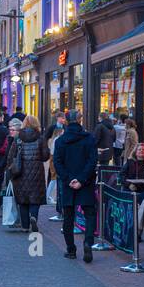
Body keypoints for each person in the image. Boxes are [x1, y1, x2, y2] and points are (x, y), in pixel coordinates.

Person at [52, 111, 99, 260]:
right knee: (90, 214)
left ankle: (71, 249)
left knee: (68, 217)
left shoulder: (60, 141)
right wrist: (82, 179)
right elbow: (92, 161)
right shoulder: (89, 138)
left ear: (66, 121)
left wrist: (68, 179)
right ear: (79, 120)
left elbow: (57, 163)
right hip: (85, 182)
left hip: (69, 184)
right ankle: (88, 242)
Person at [10, 116, 50, 233]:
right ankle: (34, 217)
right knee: (35, 198)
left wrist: (10, 169)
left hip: (20, 172)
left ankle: (25, 226)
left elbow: (11, 155)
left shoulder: (18, 139)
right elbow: (45, 156)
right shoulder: (40, 138)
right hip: (36, 172)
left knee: (22, 199)